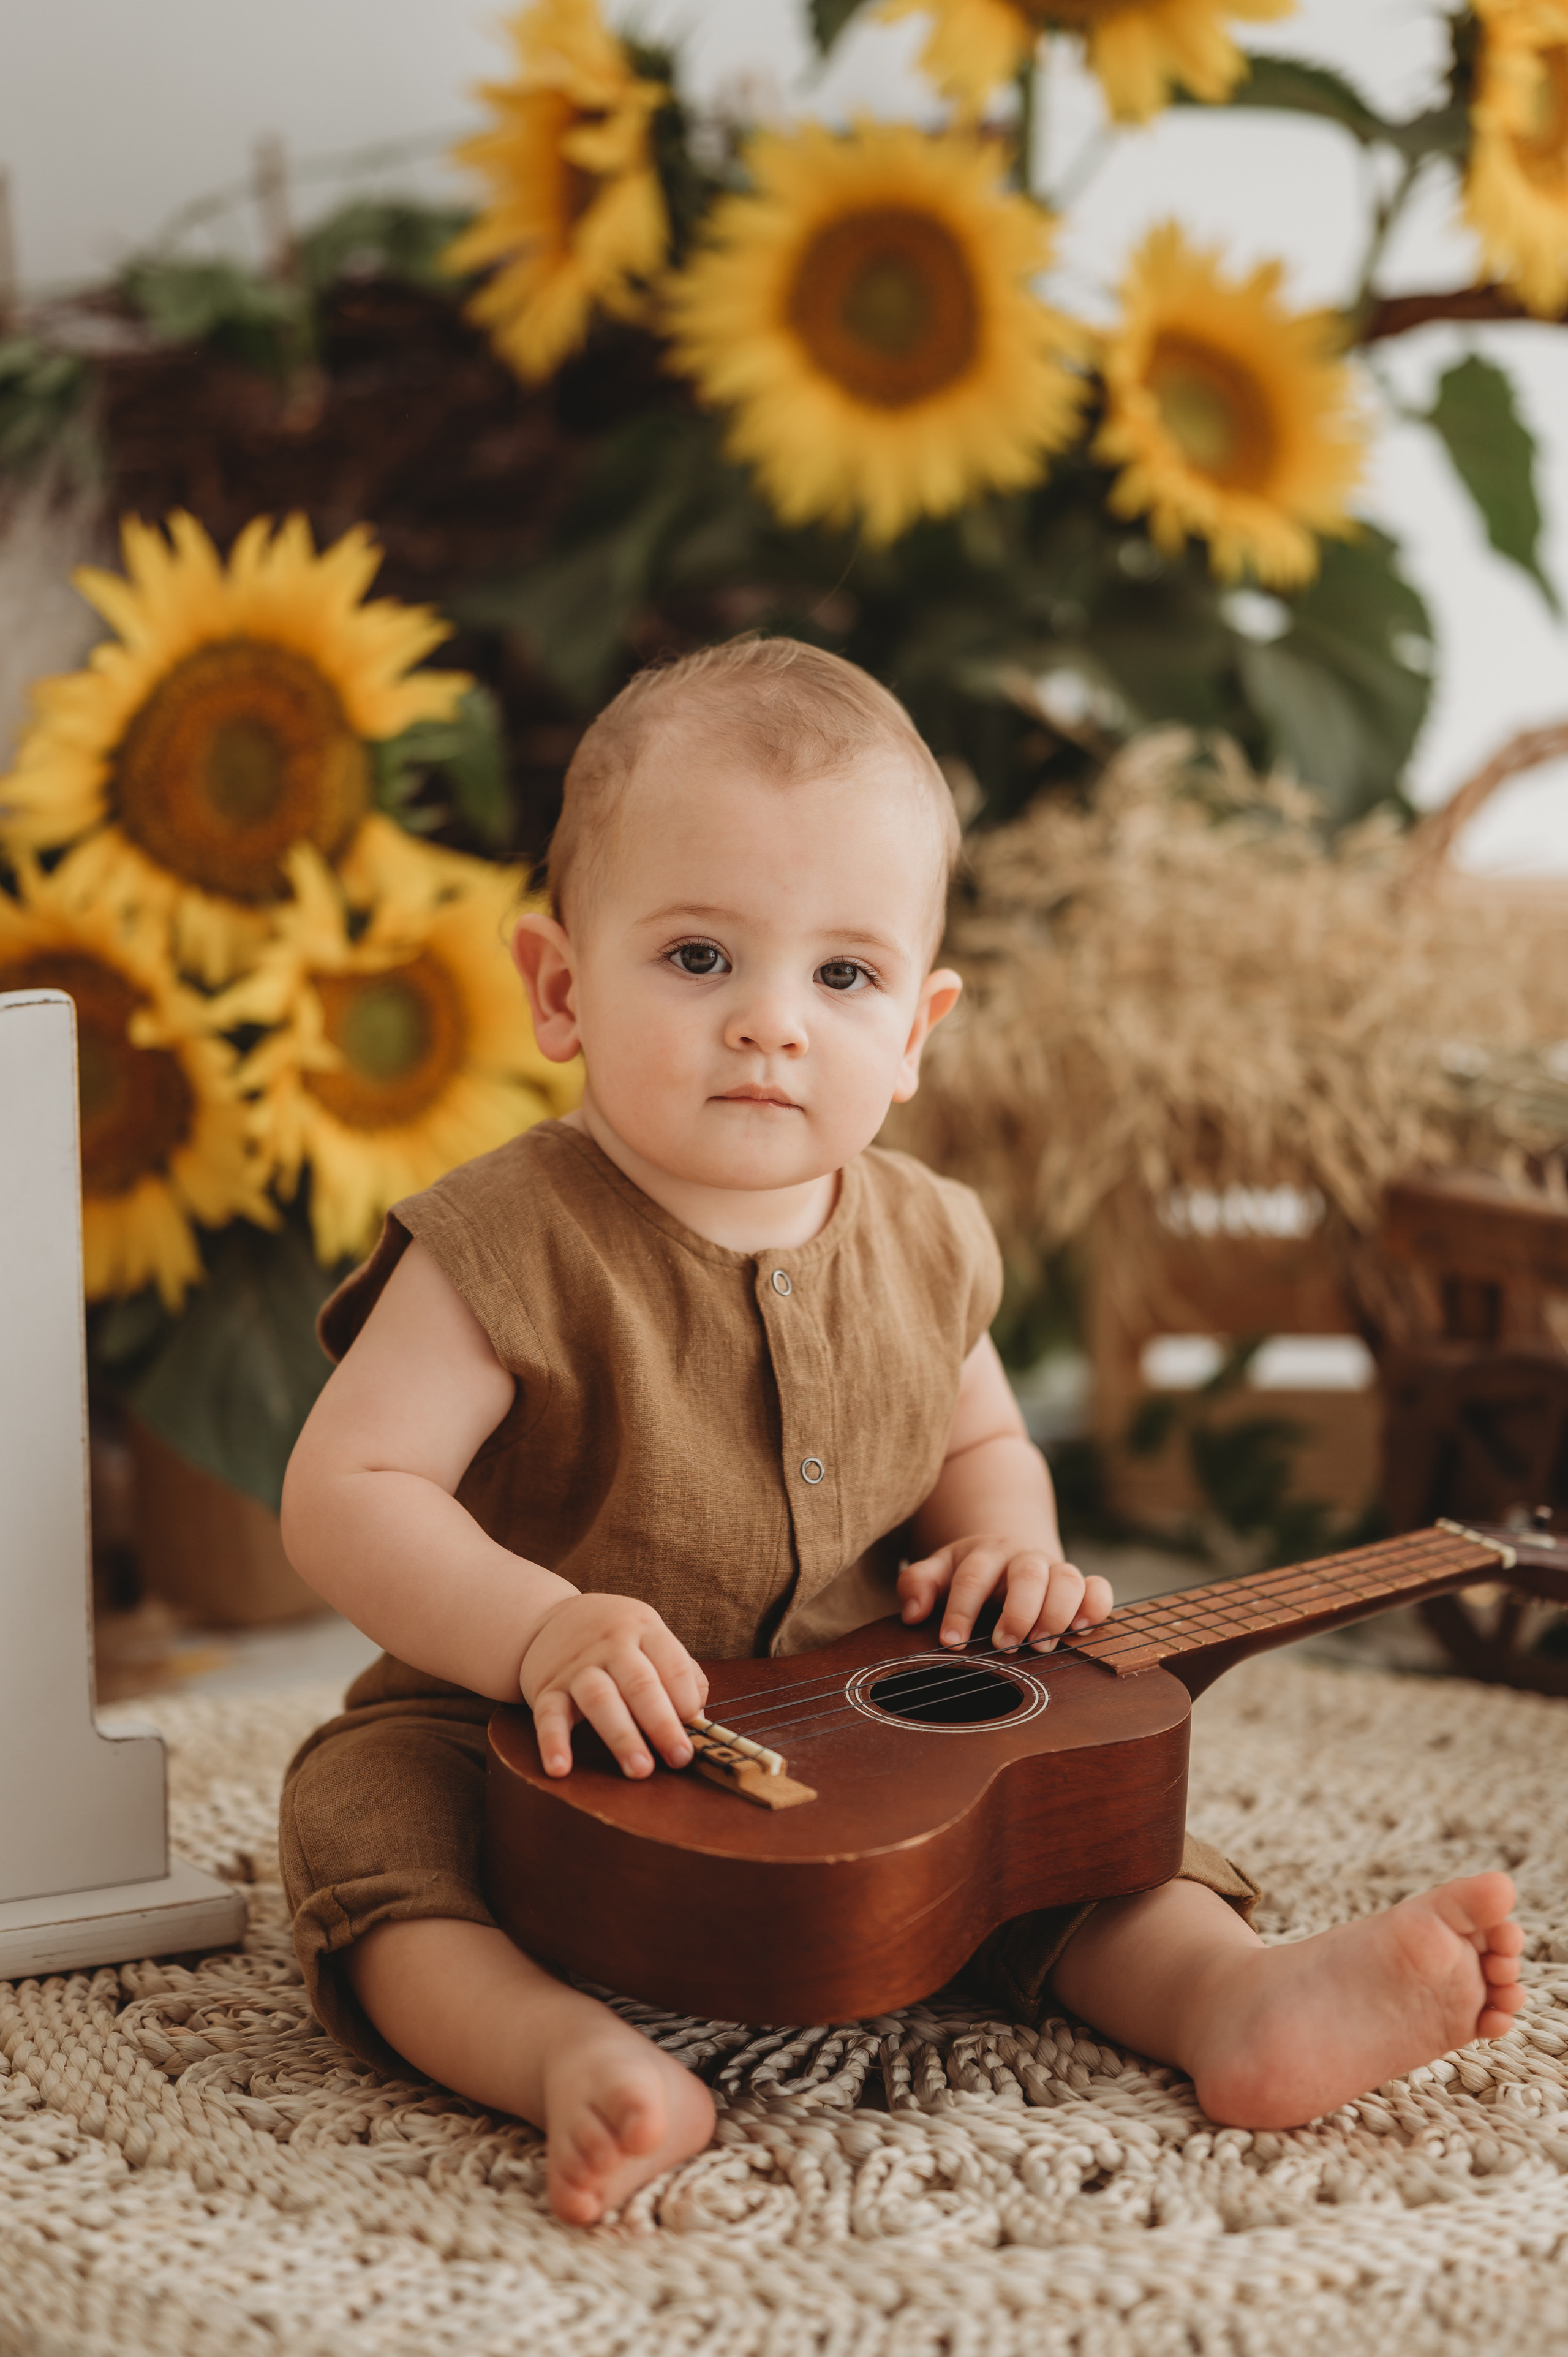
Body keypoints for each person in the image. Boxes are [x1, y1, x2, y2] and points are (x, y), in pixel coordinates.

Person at [279, 638, 1525, 2229]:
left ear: (921, 1030)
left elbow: (980, 1444)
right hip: (521, 1738)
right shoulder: (505, 1243)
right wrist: (537, 1632)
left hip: (869, 1760)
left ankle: (1235, 2001)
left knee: (1059, 1835)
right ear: (562, 988)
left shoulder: (929, 1238)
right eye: (699, 958)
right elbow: (350, 1490)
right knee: (369, 1826)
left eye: (844, 977)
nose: (771, 1025)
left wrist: (1010, 1545)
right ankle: (566, 2057)